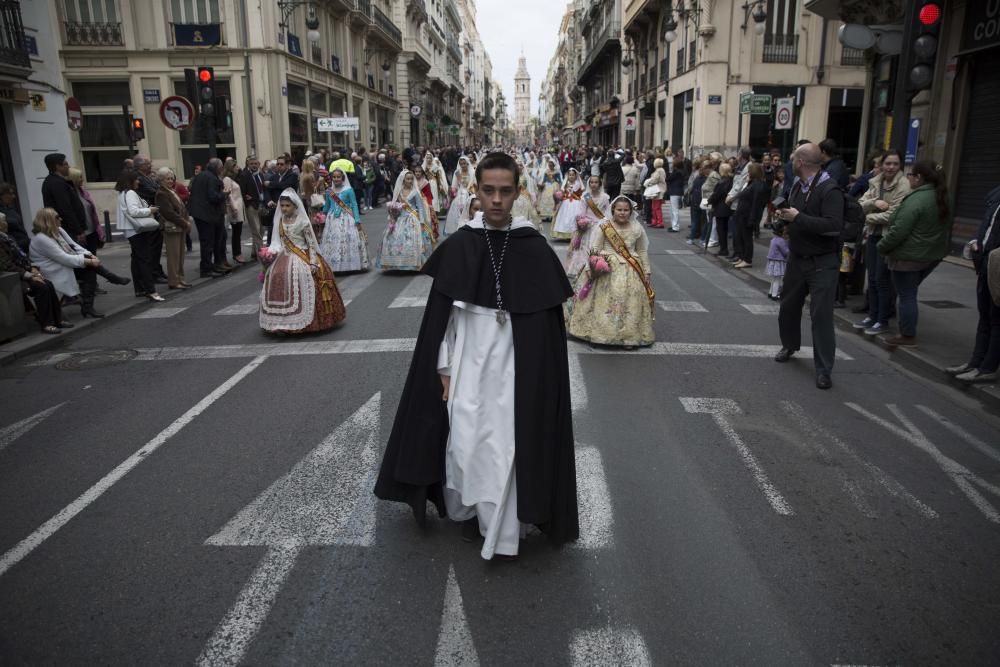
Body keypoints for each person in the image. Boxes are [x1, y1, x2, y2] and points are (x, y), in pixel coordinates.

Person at [374, 152, 579, 561]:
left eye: (505, 191)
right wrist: (443, 368)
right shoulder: (462, 243)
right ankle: (467, 509)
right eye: (488, 191)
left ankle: (507, 523)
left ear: (518, 192)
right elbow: (442, 322)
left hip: (516, 366)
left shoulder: (534, 248)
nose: (497, 200)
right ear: (477, 191)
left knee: (507, 443)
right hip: (467, 359)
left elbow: (546, 334)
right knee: (465, 440)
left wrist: (539, 378)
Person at [774, 142, 845, 390]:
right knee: (788, 306)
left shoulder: (829, 189)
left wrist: (798, 218)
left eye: (794, 159)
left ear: (801, 163)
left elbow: (834, 226)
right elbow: (795, 218)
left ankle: (824, 369)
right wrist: (785, 222)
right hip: (798, 257)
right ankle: (790, 344)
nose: (791, 162)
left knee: (821, 315)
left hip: (822, 262)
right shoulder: (797, 186)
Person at [876, 160, 950, 347]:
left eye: (910, 174)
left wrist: (882, 246)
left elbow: (899, 230)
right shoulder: (943, 196)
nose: (908, 178)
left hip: (908, 256)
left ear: (918, 178)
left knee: (907, 295)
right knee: (910, 293)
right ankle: (907, 332)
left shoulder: (916, 199)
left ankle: (907, 335)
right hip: (932, 254)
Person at [567, 195, 655, 349]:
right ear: (613, 210)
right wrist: (591, 267)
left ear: (631, 211)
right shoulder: (604, 226)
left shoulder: (636, 228)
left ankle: (628, 336)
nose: (622, 213)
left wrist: (647, 271)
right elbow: (594, 248)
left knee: (631, 301)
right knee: (604, 300)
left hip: (631, 269)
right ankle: (600, 333)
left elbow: (641, 250)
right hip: (606, 268)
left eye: (626, 210)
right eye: (619, 209)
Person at [259, 189, 346, 334]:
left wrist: (313, 262)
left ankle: (308, 322)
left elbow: (311, 243)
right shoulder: (280, 221)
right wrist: (270, 254)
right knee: (278, 281)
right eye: (282, 206)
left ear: (295, 206)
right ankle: (282, 322)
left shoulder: (303, 221)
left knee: (307, 282)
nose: (284, 209)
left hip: (303, 255)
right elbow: (277, 241)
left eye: (288, 205)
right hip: (284, 256)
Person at [853, 150, 909, 336]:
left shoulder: (903, 185)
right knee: (873, 279)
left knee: (882, 280)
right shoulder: (876, 182)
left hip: (887, 237)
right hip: (872, 235)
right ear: (881, 165)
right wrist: (875, 202)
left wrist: (870, 217)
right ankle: (873, 315)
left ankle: (882, 320)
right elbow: (861, 203)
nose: (891, 167)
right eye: (888, 164)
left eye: (895, 164)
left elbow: (894, 215)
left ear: (899, 166)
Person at [949, 184, 1000, 383]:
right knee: (985, 317)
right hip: (987, 262)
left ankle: (987, 368)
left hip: (997, 264)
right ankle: (975, 362)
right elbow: (987, 227)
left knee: (996, 320)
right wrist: (976, 243)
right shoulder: (995, 194)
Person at [0, 213, 71, 334]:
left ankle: (57, 319)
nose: (7, 224)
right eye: (4, 221)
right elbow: (7, 266)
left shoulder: (7, 237)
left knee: (48, 284)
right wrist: (29, 275)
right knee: (41, 287)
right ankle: (47, 324)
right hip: (11, 278)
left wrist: (32, 268)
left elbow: (22, 257)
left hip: (23, 272)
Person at [29, 208, 107, 316]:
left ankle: (87, 307)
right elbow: (64, 258)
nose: (60, 219)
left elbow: (75, 246)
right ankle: (110, 277)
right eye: (57, 217)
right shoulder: (41, 238)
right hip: (51, 270)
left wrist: (90, 255)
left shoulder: (58, 230)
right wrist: (89, 260)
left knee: (89, 271)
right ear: (48, 220)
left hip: (62, 264)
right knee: (89, 268)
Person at [115, 170, 165, 302]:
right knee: (144, 259)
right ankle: (150, 290)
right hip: (137, 230)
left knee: (137, 259)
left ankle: (140, 288)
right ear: (130, 181)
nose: (138, 181)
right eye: (136, 179)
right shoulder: (130, 193)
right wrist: (150, 210)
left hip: (130, 230)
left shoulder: (122, 193)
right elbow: (134, 211)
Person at [375, 170, 436, 271]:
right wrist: (393, 211)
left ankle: (413, 263)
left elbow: (420, 208)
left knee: (411, 241)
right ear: (403, 180)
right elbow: (395, 205)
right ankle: (397, 263)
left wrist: (421, 222)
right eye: (408, 179)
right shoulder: (399, 192)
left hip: (412, 218)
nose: (410, 181)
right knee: (393, 238)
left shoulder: (415, 192)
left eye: (412, 179)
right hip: (400, 218)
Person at [319, 167, 369, 272]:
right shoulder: (329, 191)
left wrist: (357, 219)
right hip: (332, 219)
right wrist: (321, 215)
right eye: (334, 177)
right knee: (333, 241)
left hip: (346, 218)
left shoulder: (349, 190)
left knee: (347, 240)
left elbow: (355, 205)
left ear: (343, 178)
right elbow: (327, 206)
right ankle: (334, 265)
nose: (336, 179)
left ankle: (349, 265)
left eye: (338, 177)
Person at [188, 158, 229, 278]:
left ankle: (211, 266)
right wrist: (224, 194)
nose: (222, 169)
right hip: (207, 215)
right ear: (217, 168)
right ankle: (206, 268)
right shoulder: (211, 177)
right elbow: (213, 196)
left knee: (207, 242)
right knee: (208, 242)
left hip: (200, 213)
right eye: (221, 167)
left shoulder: (201, 175)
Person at [154, 168, 193, 290]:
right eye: (167, 179)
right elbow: (169, 213)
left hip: (179, 226)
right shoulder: (161, 193)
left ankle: (180, 278)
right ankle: (174, 280)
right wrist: (185, 223)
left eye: (171, 178)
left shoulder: (171, 191)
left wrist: (186, 221)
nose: (170, 181)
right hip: (171, 228)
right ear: (161, 180)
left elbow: (182, 208)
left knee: (180, 255)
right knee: (173, 256)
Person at [565, 174, 609, 279]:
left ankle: (597, 266)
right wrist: (582, 222)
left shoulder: (605, 197)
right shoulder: (585, 196)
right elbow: (582, 212)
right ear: (589, 184)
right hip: (588, 226)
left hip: (599, 226)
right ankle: (582, 269)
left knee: (597, 248)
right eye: (591, 182)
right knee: (585, 248)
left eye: (596, 182)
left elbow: (607, 213)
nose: (593, 184)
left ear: (600, 184)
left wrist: (605, 223)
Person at [133, 156, 168, 284]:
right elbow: (153, 192)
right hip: (149, 215)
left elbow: (157, 188)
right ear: (140, 166)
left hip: (155, 215)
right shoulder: (139, 178)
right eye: (148, 164)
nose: (150, 165)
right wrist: (161, 189)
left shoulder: (148, 177)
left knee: (156, 246)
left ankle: (157, 270)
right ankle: (154, 273)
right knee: (152, 247)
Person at [41, 153, 88, 246]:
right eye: (65, 164)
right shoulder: (56, 183)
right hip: (68, 231)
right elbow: (65, 208)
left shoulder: (55, 181)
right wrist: (78, 230)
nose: (68, 166)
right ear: (58, 166)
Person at [730, 163, 770, 269]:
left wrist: (752, 219)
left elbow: (756, 203)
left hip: (747, 215)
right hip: (742, 214)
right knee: (741, 237)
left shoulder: (758, 185)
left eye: (749, 171)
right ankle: (742, 257)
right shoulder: (751, 183)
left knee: (746, 238)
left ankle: (747, 259)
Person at [264, 156, 299, 243]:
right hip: (274, 207)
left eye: (281, 164)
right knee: (273, 229)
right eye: (278, 164)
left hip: (288, 208)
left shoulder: (293, 176)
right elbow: (267, 190)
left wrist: (271, 184)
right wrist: (269, 200)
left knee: (286, 231)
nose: (279, 166)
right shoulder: (273, 177)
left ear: (287, 165)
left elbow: (285, 185)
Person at [237, 156, 266, 260]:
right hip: (251, 206)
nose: (254, 165)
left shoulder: (261, 175)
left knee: (261, 230)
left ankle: (254, 252)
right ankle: (262, 252)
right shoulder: (245, 175)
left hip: (261, 204)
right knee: (256, 230)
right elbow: (242, 191)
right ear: (248, 165)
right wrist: (248, 199)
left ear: (258, 164)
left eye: (255, 163)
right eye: (251, 164)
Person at [222, 160, 249, 264]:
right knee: (236, 233)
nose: (238, 168)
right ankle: (237, 254)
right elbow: (228, 194)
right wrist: (233, 208)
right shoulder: (227, 179)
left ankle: (238, 253)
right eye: (236, 166)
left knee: (238, 232)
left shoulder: (232, 179)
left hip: (238, 207)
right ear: (231, 168)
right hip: (235, 209)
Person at [445, 156, 476, 237]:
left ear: (467, 163)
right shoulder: (457, 172)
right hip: (459, 194)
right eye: (461, 164)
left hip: (469, 193)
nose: (463, 165)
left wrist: (469, 190)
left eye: (464, 163)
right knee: (457, 211)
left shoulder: (472, 171)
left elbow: (474, 184)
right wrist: (452, 192)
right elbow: (454, 186)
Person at [551, 168, 584, 241]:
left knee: (573, 217)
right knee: (564, 217)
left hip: (575, 203)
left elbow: (578, 193)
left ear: (576, 176)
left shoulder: (578, 184)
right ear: (568, 176)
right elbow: (564, 193)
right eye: (570, 175)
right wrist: (560, 195)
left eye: (573, 175)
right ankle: (565, 234)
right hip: (566, 202)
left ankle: (573, 234)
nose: (571, 176)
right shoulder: (565, 183)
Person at [708, 163, 734, 256]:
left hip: (720, 208)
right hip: (727, 208)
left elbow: (716, 195)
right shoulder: (730, 181)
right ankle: (724, 248)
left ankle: (723, 249)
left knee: (721, 229)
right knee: (724, 229)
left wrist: (709, 200)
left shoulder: (722, 182)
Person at [0, 184, 28, 253]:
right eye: (10, 194)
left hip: (24, 246)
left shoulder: (10, 209)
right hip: (13, 249)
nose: (13, 196)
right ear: (2, 195)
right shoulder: (1, 214)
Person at [766, 222, 789, 300]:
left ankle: (770, 292)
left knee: (773, 279)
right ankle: (774, 295)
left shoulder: (774, 239)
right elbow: (786, 252)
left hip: (772, 262)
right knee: (777, 280)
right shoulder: (781, 241)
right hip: (778, 262)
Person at [644, 158, 666, 229]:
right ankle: (655, 221)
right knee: (655, 207)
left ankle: (659, 222)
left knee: (656, 207)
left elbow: (655, 180)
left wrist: (648, 182)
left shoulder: (658, 171)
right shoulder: (661, 170)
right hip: (658, 190)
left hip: (657, 190)